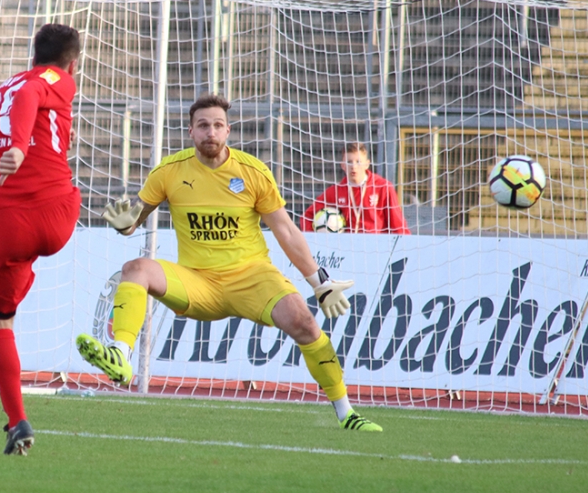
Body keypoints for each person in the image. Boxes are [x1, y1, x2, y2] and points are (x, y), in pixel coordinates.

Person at [76, 93, 382, 432]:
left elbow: (286, 230)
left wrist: (319, 282)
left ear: (228, 130)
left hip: (252, 277)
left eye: (217, 125)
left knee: (306, 325)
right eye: (203, 125)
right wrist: (125, 225)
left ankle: (346, 412)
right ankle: (120, 355)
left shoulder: (252, 172)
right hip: (197, 281)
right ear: (190, 131)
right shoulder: (168, 171)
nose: (211, 132)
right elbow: (134, 218)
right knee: (135, 269)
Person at [0, 23, 82, 455]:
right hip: (55, 215)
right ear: (72, 64)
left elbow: (22, 96)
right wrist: (21, 146)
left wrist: (15, 146)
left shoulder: (3, 88)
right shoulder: (56, 78)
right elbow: (33, 93)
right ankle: (16, 424)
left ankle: (17, 419)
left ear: (32, 53)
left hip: (4, 222)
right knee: (69, 186)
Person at [300, 142, 410, 235]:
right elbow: (306, 217)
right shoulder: (336, 191)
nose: (354, 166)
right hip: (347, 248)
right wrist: (317, 240)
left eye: (358, 162)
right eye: (349, 162)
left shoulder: (383, 187)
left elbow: (398, 224)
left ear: (367, 164)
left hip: (376, 248)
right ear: (343, 165)